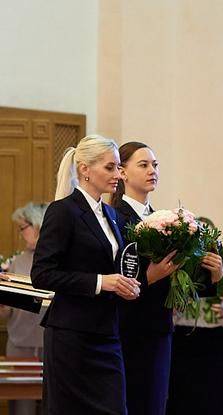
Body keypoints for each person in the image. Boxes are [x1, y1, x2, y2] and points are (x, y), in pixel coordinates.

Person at [31, 134, 141, 414]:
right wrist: (101, 282)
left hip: (107, 333)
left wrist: (126, 285)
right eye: (110, 167)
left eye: (118, 167)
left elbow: (112, 267)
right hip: (71, 336)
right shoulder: (63, 211)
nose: (118, 174)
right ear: (85, 170)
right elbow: (42, 274)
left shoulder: (112, 214)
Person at [110, 141, 178, 415]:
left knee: (155, 404)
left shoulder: (165, 220)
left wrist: (213, 273)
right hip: (127, 327)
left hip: (159, 327)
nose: (152, 171)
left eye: (155, 165)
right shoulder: (115, 218)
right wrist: (148, 277)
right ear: (123, 173)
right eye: (144, 164)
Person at [167, 217, 223, 415]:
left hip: (212, 346)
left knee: (211, 401)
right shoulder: (177, 266)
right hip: (180, 342)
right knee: (178, 401)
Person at [0, 202, 48, 415]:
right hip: (19, 345)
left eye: (23, 227)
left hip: (51, 345)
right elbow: (7, 312)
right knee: (21, 409)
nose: (20, 233)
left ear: (38, 225)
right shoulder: (16, 262)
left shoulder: (56, 261)